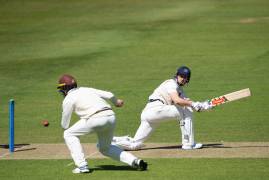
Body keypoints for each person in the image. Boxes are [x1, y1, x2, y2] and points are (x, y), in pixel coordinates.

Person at [57, 74, 148, 174]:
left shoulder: (68, 98)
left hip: (95, 118)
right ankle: (135, 161)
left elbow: (65, 124)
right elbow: (109, 94)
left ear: (65, 87)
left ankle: (82, 166)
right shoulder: (86, 89)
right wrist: (116, 101)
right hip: (111, 116)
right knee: (105, 148)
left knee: (68, 134)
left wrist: (64, 126)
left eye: (62, 88)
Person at [112, 66, 213, 150]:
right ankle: (188, 143)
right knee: (187, 110)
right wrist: (192, 104)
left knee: (135, 145)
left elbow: (185, 101)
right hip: (156, 109)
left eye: (185, 77)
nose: (183, 78)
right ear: (177, 75)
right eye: (181, 76)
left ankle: (112, 141)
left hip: (151, 114)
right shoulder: (171, 84)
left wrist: (202, 106)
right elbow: (177, 101)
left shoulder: (179, 89)